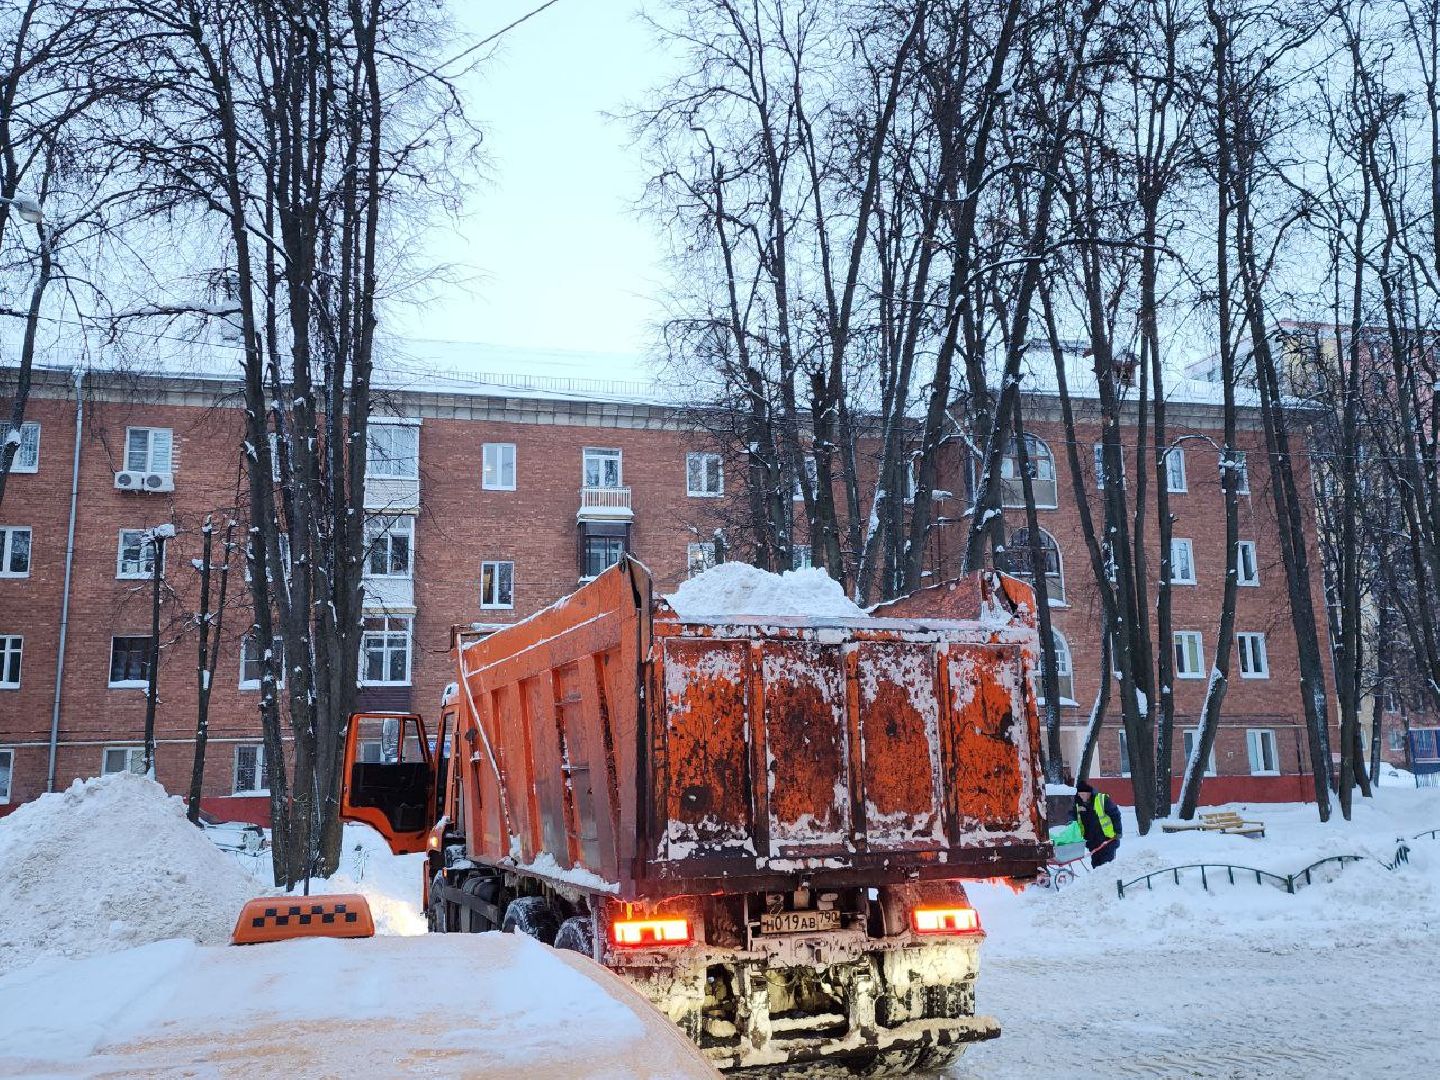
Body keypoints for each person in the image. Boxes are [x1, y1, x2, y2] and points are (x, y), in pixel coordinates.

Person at [1074, 781, 1121, 867]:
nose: (1081, 796)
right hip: (1093, 842)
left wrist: (1118, 831)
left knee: (1107, 867)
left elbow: (1115, 814)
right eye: (1079, 794)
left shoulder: (1102, 799)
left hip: (1107, 840)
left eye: (1083, 794)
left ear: (1088, 792)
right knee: (1096, 866)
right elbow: (1077, 821)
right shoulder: (1079, 805)